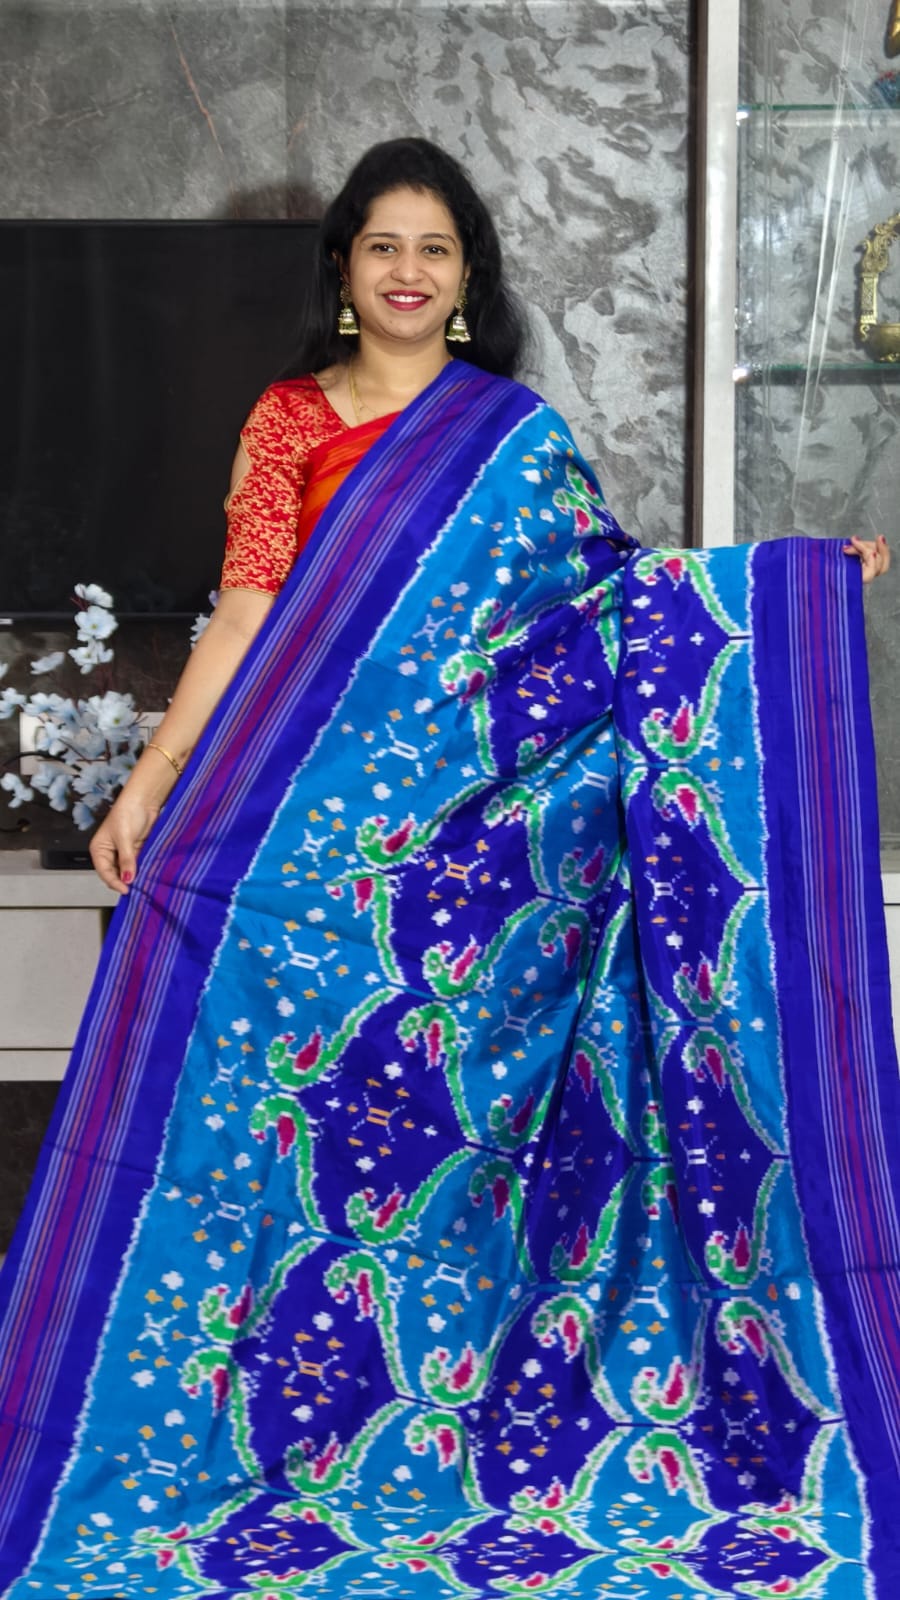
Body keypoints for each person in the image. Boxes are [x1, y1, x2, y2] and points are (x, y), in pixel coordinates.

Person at [0, 139, 896, 1600]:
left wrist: (788, 584)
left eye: (435, 248)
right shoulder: (290, 420)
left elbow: (612, 609)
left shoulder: (512, 438)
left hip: (472, 871)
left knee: (429, 1143)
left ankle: (429, 1407)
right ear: (344, 271)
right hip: (302, 842)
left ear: (467, 276)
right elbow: (245, 615)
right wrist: (149, 787)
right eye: (383, 247)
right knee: (256, 1124)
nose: (408, 271)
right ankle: (209, 1423)